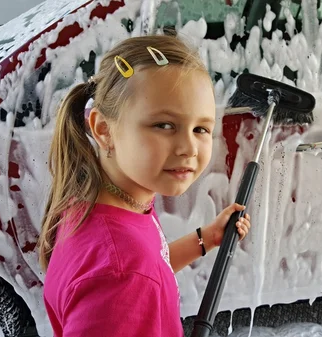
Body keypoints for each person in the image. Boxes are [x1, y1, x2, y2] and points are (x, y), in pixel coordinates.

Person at [37, 34, 252, 337]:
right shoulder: (122, 272)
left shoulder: (100, 202)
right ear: (103, 130)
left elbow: (152, 267)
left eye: (201, 128)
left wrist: (205, 238)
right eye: (164, 125)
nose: (189, 148)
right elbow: (132, 273)